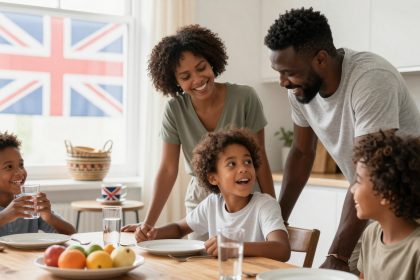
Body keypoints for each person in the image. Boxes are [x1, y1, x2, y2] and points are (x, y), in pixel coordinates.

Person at [264, 7, 420, 272]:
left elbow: (369, 168)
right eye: (278, 72)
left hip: (409, 203)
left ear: (321, 59)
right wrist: (276, 225)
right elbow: (302, 153)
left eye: (288, 72)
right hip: (372, 200)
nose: (282, 82)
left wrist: (337, 255)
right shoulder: (300, 88)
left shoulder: (371, 80)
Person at [138, 24, 275, 240]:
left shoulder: (245, 98)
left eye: (201, 68)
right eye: (185, 76)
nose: (198, 80)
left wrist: (273, 208)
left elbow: (260, 158)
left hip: (245, 195)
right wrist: (147, 225)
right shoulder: (174, 110)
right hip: (201, 200)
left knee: (247, 264)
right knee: (199, 266)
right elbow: (167, 169)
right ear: (175, 82)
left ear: (212, 61)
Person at [125, 129, 290, 261]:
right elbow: (179, 228)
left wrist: (234, 246)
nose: (243, 168)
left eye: (248, 161)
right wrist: (155, 233)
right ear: (213, 178)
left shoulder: (265, 205)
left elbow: (282, 249)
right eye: (232, 164)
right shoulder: (212, 204)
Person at [351, 131, 420, 280]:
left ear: (386, 193)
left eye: (358, 181)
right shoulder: (370, 234)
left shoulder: (417, 250)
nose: (352, 189)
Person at [0, 132, 75, 236]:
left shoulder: (27, 204)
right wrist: (4, 217)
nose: (20, 172)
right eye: (9, 167)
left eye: (21, 165)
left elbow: (72, 234)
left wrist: (49, 217)